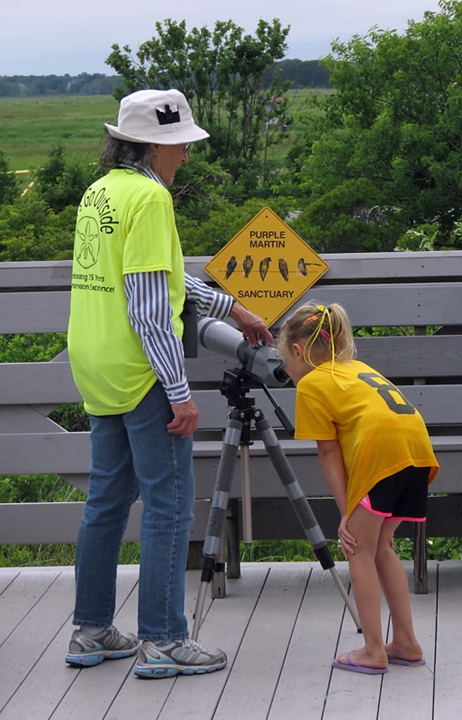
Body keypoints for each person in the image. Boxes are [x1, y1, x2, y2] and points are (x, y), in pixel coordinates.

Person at [66, 89, 273, 679]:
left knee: (105, 501)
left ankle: (92, 631)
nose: (186, 153)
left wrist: (232, 308)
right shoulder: (152, 200)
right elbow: (153, 308)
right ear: (156, 143)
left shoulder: (101, 191)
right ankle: (162, 639)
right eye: (181, 142)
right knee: (169, 503)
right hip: (142, 371)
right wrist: (180, 393)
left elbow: (163, 276)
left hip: (96, 362)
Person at [277, 302, 439, 675]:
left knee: (358, 549)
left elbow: (328, 452)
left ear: (299, 351)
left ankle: (372, 649)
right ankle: (405, 641)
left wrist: (347, 511)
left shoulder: (313, 383)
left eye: (286, 360)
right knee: (381, 547)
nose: (287, 370)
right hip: (415, 450)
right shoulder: (357, 369)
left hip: (381, 454)